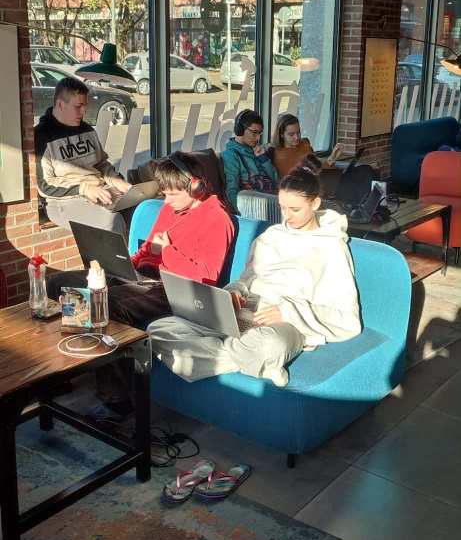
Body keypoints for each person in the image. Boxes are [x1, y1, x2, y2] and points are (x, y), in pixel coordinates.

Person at [47, 153, 235, 422]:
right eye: (164, 194)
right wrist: (124, 266)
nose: (166, 201)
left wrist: (167, 252)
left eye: (172, 194)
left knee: (106, 303)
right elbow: (148, 249)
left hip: (171, 288)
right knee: (58, 283)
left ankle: (116, 401)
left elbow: (204, 278)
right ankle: (78, 365)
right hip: (140, 277)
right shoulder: (170, 209)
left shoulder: (218, 220)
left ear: (197, 187)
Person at [149, 166, 361, 389]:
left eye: (295, 209)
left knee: (270, 345)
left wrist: (287, 311)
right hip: (247, 310)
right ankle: (256, 364)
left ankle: (247, 356)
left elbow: (348, 319)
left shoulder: (332, 247)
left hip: (285, 324)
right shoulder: (270, 237)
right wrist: (234, 292)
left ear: (315, 203)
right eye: (282, 208)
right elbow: (247, 278)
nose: (287, 216)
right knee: (159, 330)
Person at [34, 76, 133, 234]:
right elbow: (45, 185)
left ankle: (142, 251)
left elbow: (101, 164)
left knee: (144, 211)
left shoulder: (87, 130)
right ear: (60, 104)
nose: (84, 111)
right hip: (64, 201)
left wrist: (116, 180)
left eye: (85, 106)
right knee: (112, 222)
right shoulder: (42, 136)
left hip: (100, 190)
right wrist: (84, 189)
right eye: (78, 106)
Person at [221, 109, 279, 214]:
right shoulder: (231, 155)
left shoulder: (258, 150)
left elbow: (277, 180)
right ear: (240, 130)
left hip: (275, 197)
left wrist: (263, 160)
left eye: (260, 133)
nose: (258, 138)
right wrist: (244, 214)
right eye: (255, 133)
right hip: (257, 204)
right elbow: (232, 188)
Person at [269, 113, 344, 180]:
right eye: (291, 134)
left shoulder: (304, 143)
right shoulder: (279, 154)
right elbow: (290, 183)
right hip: (301, 187)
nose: (296, 137)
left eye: (298, 132)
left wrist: (332, 158)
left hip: (316, 183)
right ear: (281, 135)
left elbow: (316, 169)